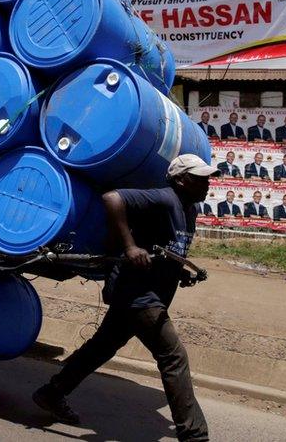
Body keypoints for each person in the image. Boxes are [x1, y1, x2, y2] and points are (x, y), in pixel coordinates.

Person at [33, 155, 214, 441]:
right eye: (200, 177)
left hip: (146, 294)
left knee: (100, 348)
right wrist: (130, 247)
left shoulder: (188, 209)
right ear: (180, 180)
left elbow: (165, 248)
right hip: (139, 296)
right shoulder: (164, 198)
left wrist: (178, 273)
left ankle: (51, 392)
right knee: (173, 357)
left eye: (208, 177)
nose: (207, 183)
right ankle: (194, 435)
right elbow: (112, 199)